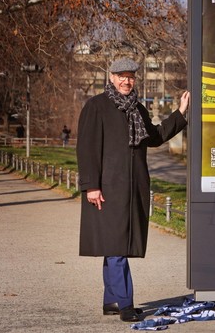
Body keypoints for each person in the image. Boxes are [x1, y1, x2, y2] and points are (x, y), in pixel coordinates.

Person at [77, 57, 190, 322]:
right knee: (116, 246)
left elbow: (155, 137)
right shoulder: (97, 106)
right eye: (122, 76)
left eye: (131, 77)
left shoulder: (138, 109)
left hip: (133, 187)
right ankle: (126, 305)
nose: (127, 81)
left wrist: (181, 113)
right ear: (112, 78)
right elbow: (87, 148)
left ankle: (111, 300)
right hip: (106, 188)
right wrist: (91, 186)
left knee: (115, 245)